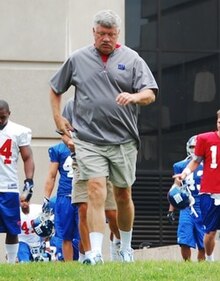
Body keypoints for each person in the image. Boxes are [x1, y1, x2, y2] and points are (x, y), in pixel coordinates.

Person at [49, 10, 158, 263]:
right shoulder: (77, 59)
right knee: (95, 190)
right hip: (88, 140)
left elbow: (150, 93)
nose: (106, 38)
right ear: (93, 33)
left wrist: (134, 96)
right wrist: (57, 118)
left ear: (117, 34)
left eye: (110, 34)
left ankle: (126, 247)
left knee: (122, 195)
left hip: (123, 140)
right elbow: (55, 88)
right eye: (101, 34)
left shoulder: (132, 59)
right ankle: (96, 253)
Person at [62, 98, 121, 263]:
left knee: (111, 213)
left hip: (106, 161)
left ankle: (117, 240)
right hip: (80, 162)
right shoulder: (70, 105)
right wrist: (70, 142)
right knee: (83, 208)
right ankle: (89, 255)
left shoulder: (108, 101)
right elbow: (64, 134)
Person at [173, 109, 220, 262]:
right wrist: (184, 174)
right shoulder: (205, 139)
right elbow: (195, 161)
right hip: (206, 193)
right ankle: (209, 260)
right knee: (209, 232)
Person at [0, 99, 35, 264]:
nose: (0, 120)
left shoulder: (18, 131)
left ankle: (11, 262)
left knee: (12, 228)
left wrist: (29, 181)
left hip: (9, 186)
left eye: (3, 117)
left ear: (9, 114)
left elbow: (27, 158)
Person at [167, 135, 205, 261]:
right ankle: (187, 265)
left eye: (197, 147)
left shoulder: (209, 165)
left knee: (203, 243)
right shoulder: (179, 166)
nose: (194, 150)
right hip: (187, 205)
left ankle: (203, 267)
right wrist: (171, 210)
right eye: (192, 147)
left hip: (204, 204)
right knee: (184, 240)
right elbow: (175, 189)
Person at [42, 141, 80, 261]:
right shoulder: (58, 149)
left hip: (83, 194)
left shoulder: (87, 143)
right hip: (65, 194)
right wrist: (46, 198)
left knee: (84, 233)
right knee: (65, 235)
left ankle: (85, 261)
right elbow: (51, 175)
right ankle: (69, 266)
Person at [17, 195, 43, 262]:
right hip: (22, 241)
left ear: (29, 201)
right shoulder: (16, 213)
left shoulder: (37, 209)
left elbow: (48, 213)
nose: (24, 203)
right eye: (22, 201)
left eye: (26, 201)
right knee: (25, 262)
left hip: (37, 241)